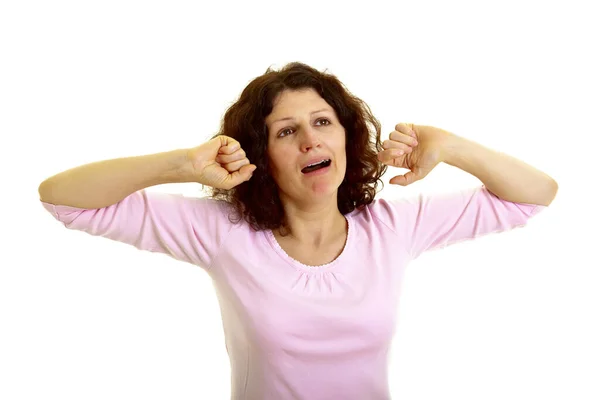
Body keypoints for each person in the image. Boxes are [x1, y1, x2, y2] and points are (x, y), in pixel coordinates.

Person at [38, 62, 558, 399]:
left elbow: (534, 195)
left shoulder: (394, 227)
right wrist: (180, 164)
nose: (311, 139)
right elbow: (64, 198)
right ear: (263, 157)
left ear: (348, 139)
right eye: (287, 131)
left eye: (323, 122)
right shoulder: (223, 232)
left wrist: (452, 145)